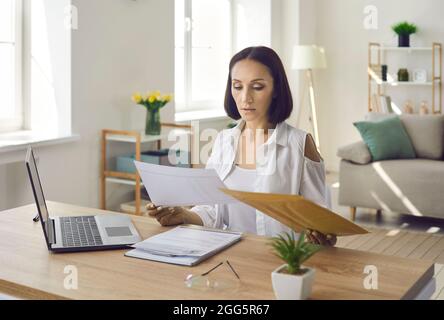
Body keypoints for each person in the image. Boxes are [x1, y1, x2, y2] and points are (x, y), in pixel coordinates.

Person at [146, 46, 336, 246]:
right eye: (238, 86)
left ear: (276, 90)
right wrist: (182, 215)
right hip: (231, 257)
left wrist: (325, 235)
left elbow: (322, 220)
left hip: (284, 264)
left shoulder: (299, 143)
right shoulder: (223, 141)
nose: (245, 98)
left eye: (257, 87)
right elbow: (212, 212)